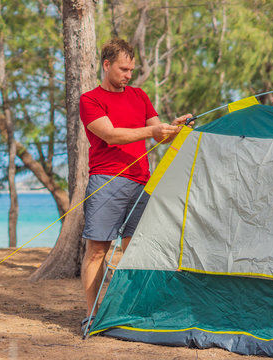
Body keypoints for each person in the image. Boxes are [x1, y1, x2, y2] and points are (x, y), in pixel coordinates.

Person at [78, 38, 192, 332]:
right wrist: (152, 129)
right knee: (97, 251)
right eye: (123, 68)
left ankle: (125, 312)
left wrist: (173, 128)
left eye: (131, 69)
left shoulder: (139, 96)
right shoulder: (90, 99)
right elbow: (112, 135)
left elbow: (158, 136)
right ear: (107, 65)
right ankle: (92, 315)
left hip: (142, 182)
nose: (128, 75)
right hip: (108, 181)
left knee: (135, 249)